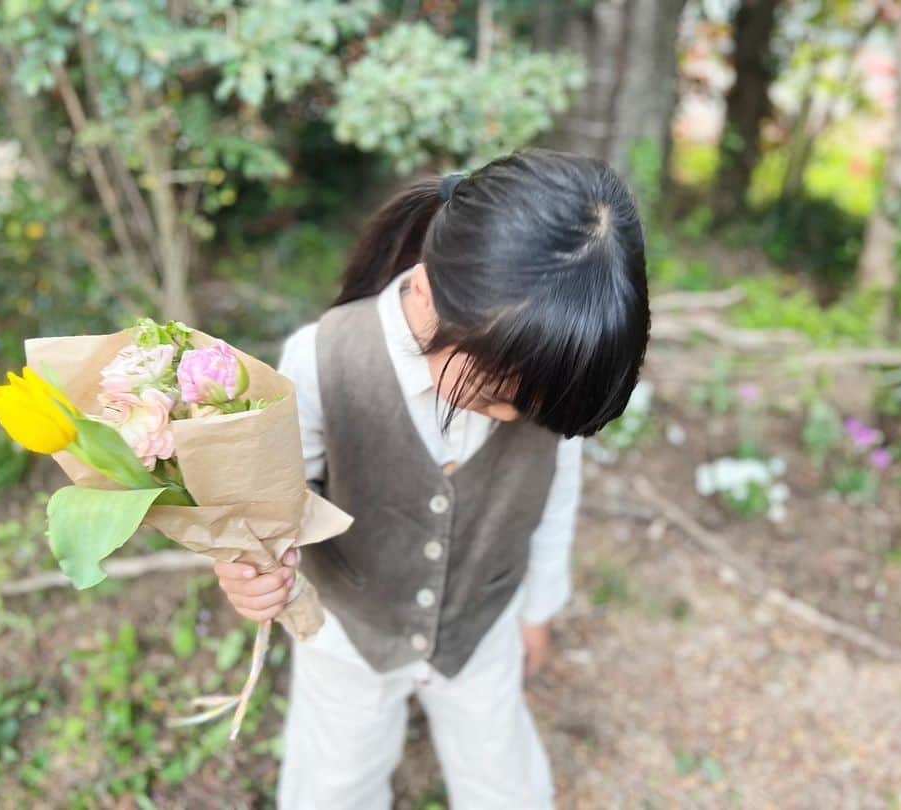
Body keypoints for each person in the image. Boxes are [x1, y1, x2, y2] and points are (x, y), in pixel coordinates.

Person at [213, 148, 650, 809]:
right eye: (500, 395)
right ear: (427, 292)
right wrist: (247, 569)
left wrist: (538, 612)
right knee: (334, 781)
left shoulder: (548, 382)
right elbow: (273, 510)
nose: (519, 418)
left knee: (502, 776)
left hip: (483, 624)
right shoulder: (320, 360)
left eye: (538, 409)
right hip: (351, 632)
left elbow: (555, 500)